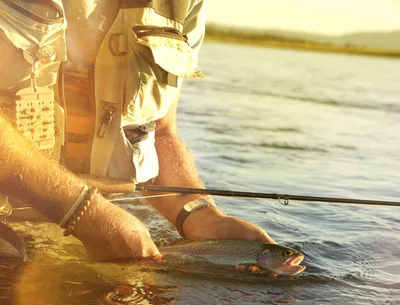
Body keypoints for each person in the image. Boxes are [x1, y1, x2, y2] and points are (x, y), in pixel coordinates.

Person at [0, 0, 274, 261]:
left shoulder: (183, 5)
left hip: (93, 229)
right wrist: (84, 213)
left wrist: (200, 215)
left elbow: (159, 130)